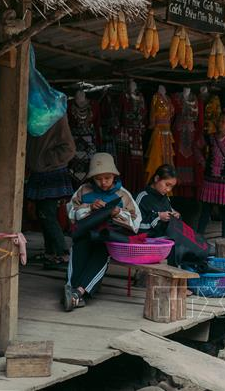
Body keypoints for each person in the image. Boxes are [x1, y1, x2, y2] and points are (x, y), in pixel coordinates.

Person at [64, 153, 141, 311]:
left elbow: (136, 222)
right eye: (98, 179)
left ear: (114, 175)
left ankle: (79, 292)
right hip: (86, 233)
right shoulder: (83, 191)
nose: (103, 182)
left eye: (107, 178)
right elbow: (71, 212)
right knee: (78, 249)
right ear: (92, 178)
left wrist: (118, 212)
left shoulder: (123, 195)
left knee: (101, 253)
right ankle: (71, 289)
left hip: (106, 237)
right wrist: (90, 208)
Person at [25, 116, 76, 269]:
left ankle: (62, 253)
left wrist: (46, 159)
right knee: (43, 213)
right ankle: (51, 252)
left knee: (47, 215)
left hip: (50, 172)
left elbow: (69, 148)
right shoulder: (36, 116)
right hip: (40, 171)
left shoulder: (57, 116)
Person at [135, 164, 180, 237]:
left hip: (165, 242)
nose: (169, 190)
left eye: (172, 186)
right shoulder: (142, 198)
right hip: (147, 244)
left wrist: (175, 215)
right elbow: (136, 227)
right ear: (156, 178)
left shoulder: (165, 198)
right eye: (167, 184)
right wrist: (158, 217)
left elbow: (170, 211)